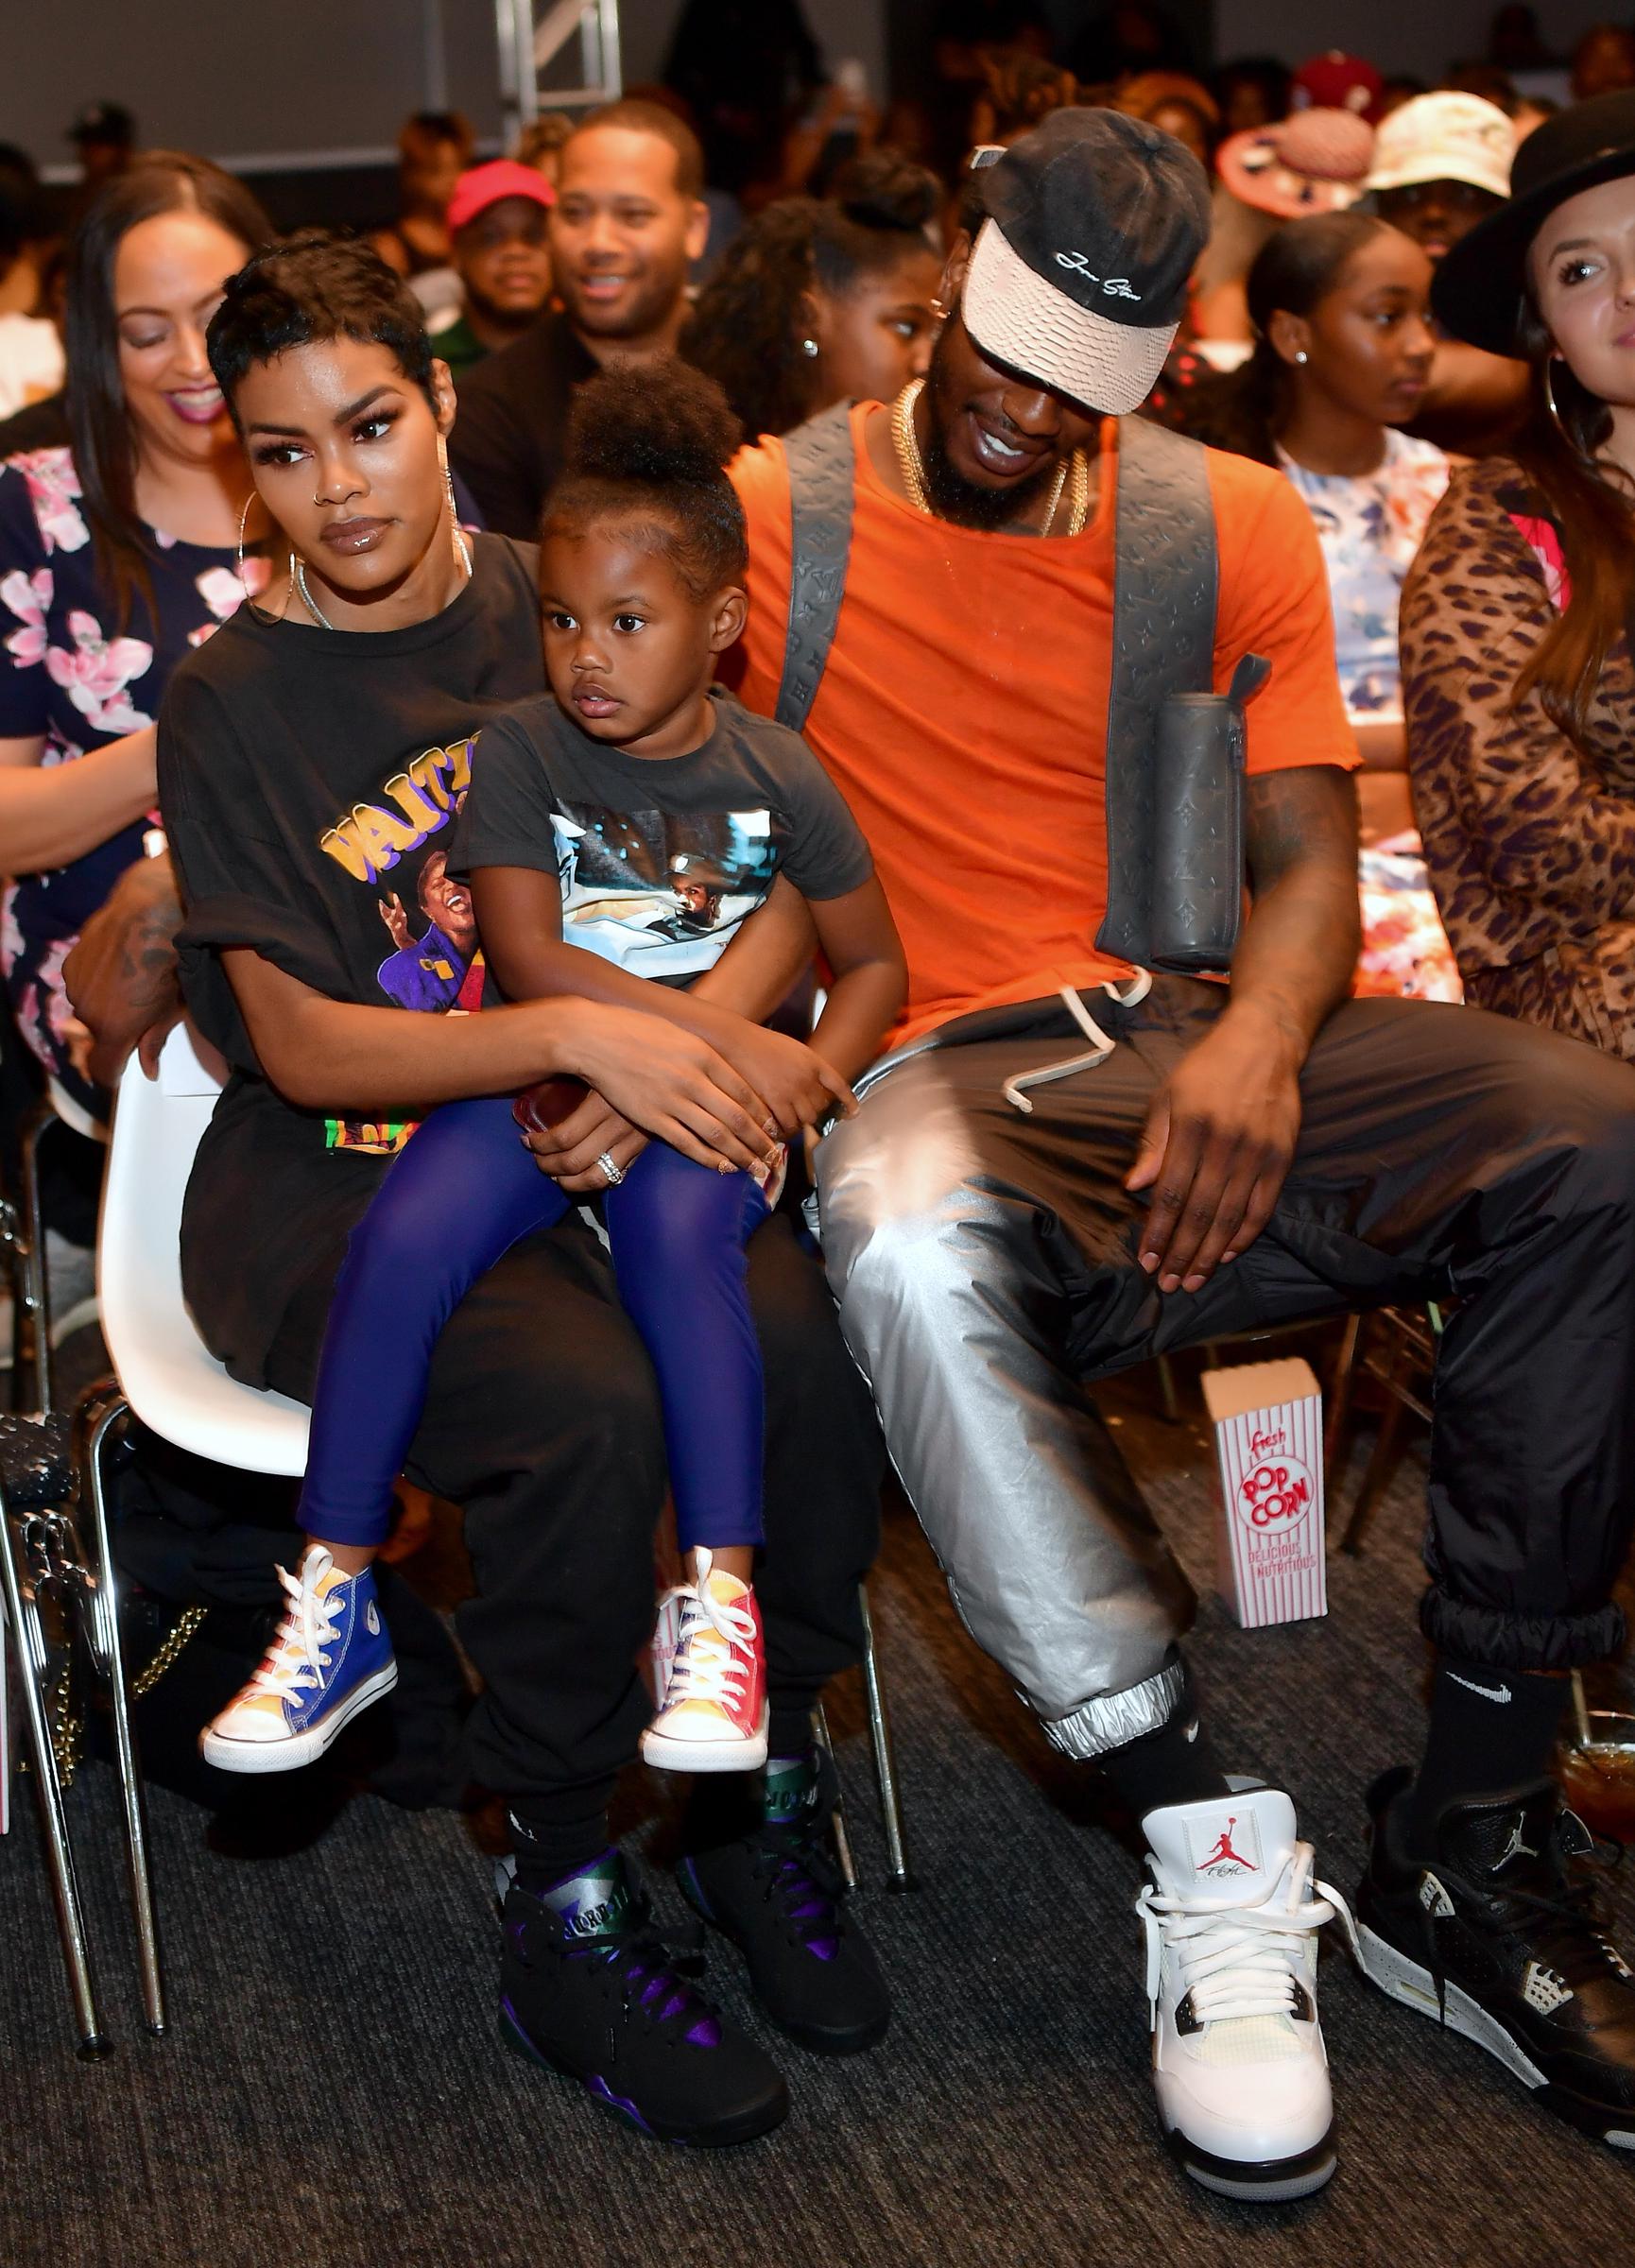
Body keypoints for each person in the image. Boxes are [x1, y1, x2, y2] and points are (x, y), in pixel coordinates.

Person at [725, 107, 1635, 2194]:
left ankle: (1472, 1831)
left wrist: (1255, 1044)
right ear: (946, 287)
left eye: (1085, 385)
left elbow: (1305, 856)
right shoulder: (778, 511)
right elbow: (566, 712)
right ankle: (1200, 1836)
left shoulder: (1216, 515)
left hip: (1185, 1027)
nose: (1026, 412)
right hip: (940, 1066)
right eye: (1004, 355)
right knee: (896, 1231)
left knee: (1592, 1144)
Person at [149, 232, 888, 2144]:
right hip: (335, 1179)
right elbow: (304, 1048)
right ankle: (562, 1886)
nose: (341, 487)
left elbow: (768, 869)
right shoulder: (234, 697)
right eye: (285, 452)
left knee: (800, 1344)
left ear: (440, 403)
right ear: (244, 467)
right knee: (586, 1406)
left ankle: (752, 1783)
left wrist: (665, 1056)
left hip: (608, 1138)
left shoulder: (576, 591)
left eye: (371, 427)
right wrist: (579, 1041)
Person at [199, 355, 904, 1780]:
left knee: (684, 1254)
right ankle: (336, 1593)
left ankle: (720, 1605)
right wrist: (701, 1043)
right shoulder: (522, 751)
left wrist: (805, 1076)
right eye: (564, 619)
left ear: (720, 626)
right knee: (405, 1236)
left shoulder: (782, 772)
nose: (586, 655)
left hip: (698, 1114)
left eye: (627, 624)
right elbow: (528, 957)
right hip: (543, 1089)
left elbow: (874, 961)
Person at [0, 154, 270, 1125]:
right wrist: (196, 742)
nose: (194, 362)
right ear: (100, 348)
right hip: (119, 970)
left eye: (217, 317)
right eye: (147, 334)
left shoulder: (357, 477)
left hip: (370, 928)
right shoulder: (36, 511)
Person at [1403, 91, 1635, 1057]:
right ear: (1545, 325)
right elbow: (1531, 836)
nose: (1628, 291)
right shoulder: (1497, 521)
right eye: (1581, 269)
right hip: (1582, 987)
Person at [1194, 213, 1460, 1001]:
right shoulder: (1223, 496)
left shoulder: (1455, 490)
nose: (1420, 344)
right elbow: (1206, 708)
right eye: (1387, 317)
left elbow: (1506, 702)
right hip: (1282, 832)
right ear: (1293, 335)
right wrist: (1376, 769)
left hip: (1453, 818)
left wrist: (1416, 777)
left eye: (1426, 317)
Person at [448, 101, 707, 540]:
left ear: (694, 229)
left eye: (633, 215)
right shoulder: (490, 412)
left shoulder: (759, 373)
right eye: (574, 213)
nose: (598, 243)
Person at [683, 156, 941, 444]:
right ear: (808, 319)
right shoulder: (731, 464)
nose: (926, 361)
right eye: (906, 328)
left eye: (937, 334)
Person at [1363, 92, 1529, 455]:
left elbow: (1524, 375)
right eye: (1410, 195)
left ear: (1501, 208)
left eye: (1463, 195)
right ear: (1380, 209)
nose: (1434, 214)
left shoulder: (1531, 296)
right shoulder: (1346, 291)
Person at [431, 161, 555, 381]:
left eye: (534, 235)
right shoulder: (425, 367)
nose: (516, 252)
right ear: (457, 256)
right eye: (491, 237)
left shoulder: (594, 355)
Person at [369, 111, 473, 282]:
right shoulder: (392, 247)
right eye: (437, 170)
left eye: (459, 167)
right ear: (412, 174)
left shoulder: (472, 236)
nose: (452, 180)